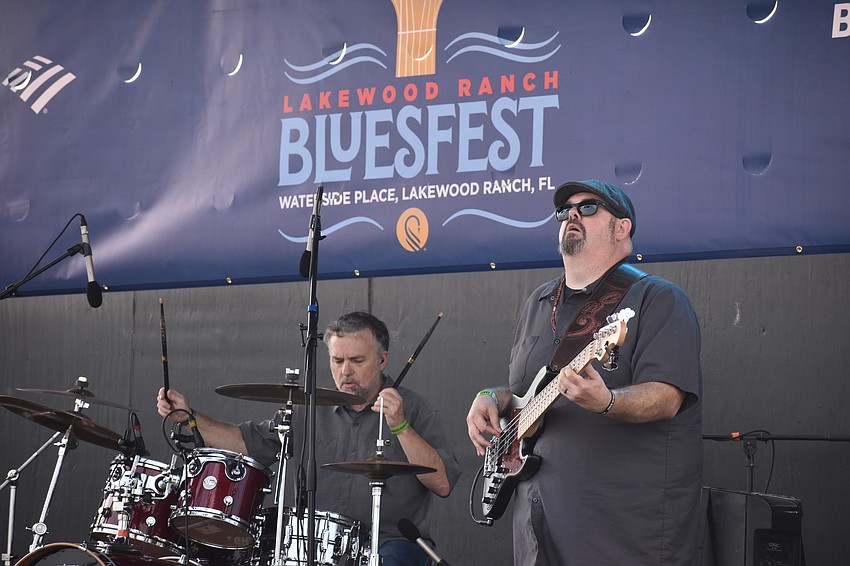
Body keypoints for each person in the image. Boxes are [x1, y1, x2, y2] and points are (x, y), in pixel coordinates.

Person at [466, 180, 703, 565]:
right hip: (536, 524)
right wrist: (491, 397)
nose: (572, 214)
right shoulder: (539, 302)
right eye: (564, 210)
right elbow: (522, 393)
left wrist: (607, 402)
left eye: (588, 207)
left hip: (619, 531)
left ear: (622, 228)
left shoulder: (657, 298)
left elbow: (668, 396)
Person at [158, 311, 461, 566]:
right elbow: (245, 442)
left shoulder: (415, 409)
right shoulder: (309, 408)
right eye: (337, 360)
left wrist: (400, 425)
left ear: (382, 360)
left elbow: (443, 483)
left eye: (357, 360)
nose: (345, 371)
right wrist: (190, 417)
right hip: (314, 541)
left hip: (391, 543)